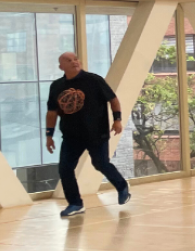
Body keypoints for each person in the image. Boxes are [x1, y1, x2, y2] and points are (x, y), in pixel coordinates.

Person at [46, 52, 131, 218]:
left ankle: (122, 187)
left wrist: (117, 120)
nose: (74, 62)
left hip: (96, 133)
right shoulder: (56, 86)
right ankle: (75, 203)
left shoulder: (94, 80)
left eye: (75, 59)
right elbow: (51, 113)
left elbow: (113, 100)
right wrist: (49, 135)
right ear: (61, 67)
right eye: (68, 61)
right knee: (65, 169)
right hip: (71, 136)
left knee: (100, 164)